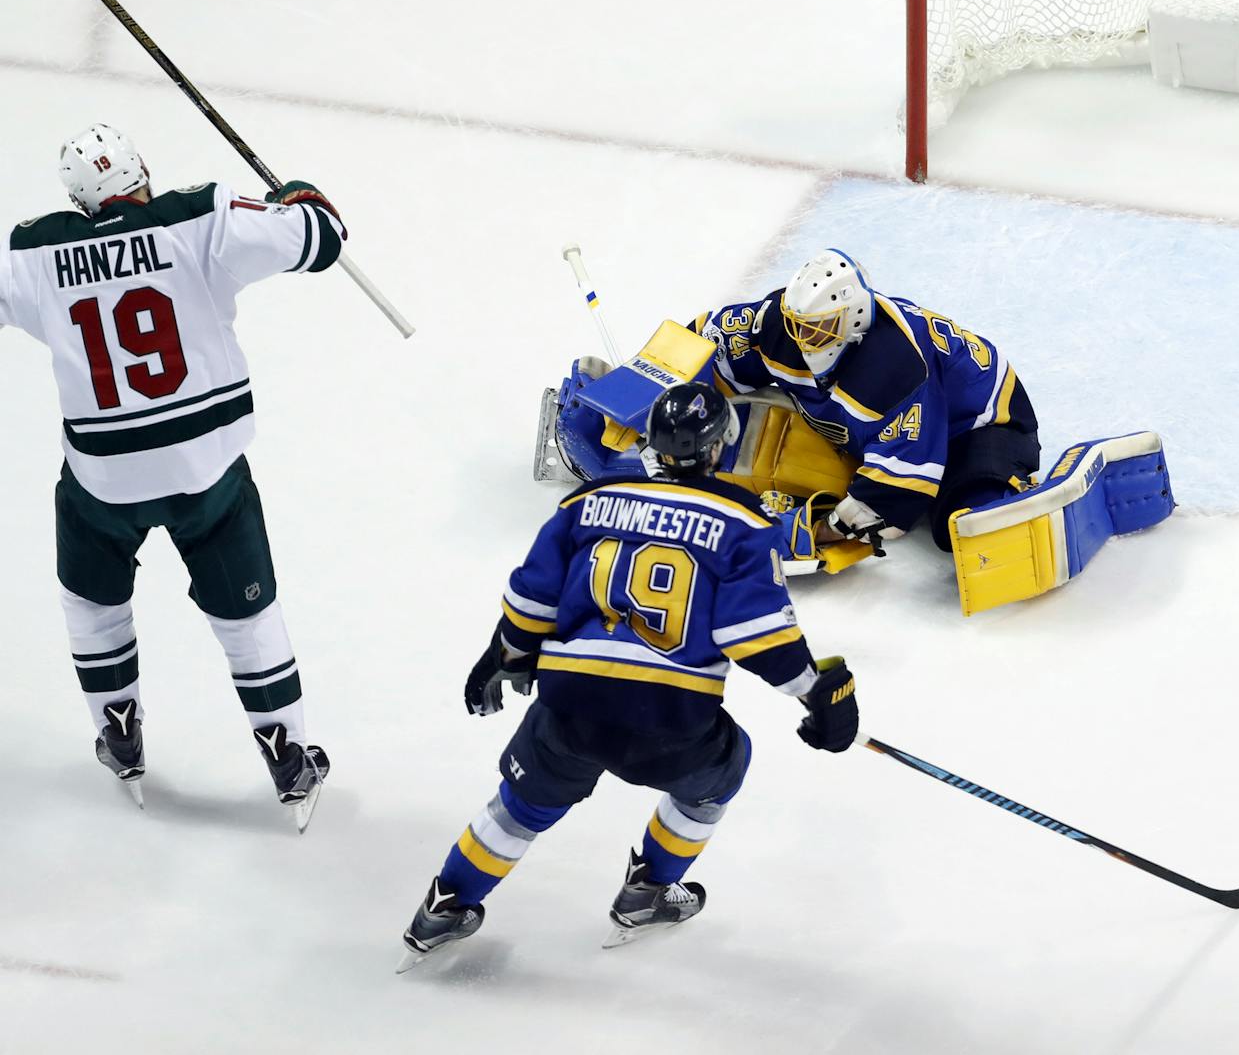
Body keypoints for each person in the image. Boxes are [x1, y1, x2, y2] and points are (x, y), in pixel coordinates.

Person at [397, 382, 860, 970]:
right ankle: (646, 892)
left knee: (520, 804)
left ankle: (444, 906)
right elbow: (757, 635)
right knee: (723, 769)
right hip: (668, 717)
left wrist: (504, 655)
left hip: (571, 700)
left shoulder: (588, 500)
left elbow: (532, 600)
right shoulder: (743, 522)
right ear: (722, 447)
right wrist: (816, 694)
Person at [0, 123, 344, 828]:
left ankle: (118, 729)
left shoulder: (34, 253)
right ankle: (285, 749)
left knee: (92, 604)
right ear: (142, 172)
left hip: (105, 481)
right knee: (247, 615)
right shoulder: (199, 218)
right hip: (207, 469)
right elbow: (324, 239)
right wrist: (300, 199)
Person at [691, 248, 1041, 552]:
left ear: (853, 320)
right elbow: (698, 344)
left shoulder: (893, 369)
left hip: (980, 424)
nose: (802, 338)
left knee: (967, 528)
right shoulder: (776, 324)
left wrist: (819, 530)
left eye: (816, 327)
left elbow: (895, 498)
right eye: (798, 324)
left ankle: (1012, 490)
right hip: (903, 423)